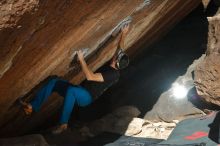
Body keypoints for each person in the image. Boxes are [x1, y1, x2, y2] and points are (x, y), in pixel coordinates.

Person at [21, 24, 130, 134]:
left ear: (116, 62)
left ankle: (63, 124)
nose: (116, 54)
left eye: (117, 56)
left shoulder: (112, 74)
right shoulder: (116, 62)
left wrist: (82, 59)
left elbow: (90, 76)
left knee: (71, 91)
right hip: (80, 89)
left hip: (86, 97)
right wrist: (123, 33)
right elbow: (120, 47)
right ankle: (32, 106)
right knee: (54, 82)